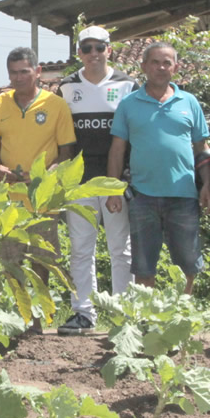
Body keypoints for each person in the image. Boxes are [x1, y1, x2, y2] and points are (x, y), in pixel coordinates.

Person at [107, 42, 210, 295]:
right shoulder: (129, 104)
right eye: (155, 62)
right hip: (143, 196)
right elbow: (117, 150)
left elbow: (203, 148)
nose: (161, 67)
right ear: (144, 66)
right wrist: (112, 190)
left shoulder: (189, 102)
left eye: (167, 62)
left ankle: (182, 317)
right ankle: (146, 320)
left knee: (188, 263)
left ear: (175, 67)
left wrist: (208, 184)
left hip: (184, 194)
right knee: (144, 266)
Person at [56, 25, 137, 335]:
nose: (93, 54)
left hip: (116, 181)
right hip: (79, 182)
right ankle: (83, 314)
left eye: (99, 47)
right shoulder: (65, 88)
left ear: (109, 50)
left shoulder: (127, 85)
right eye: (87, 48)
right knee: (80, 248)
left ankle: (123, 313)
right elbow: (60, 139)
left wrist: (125, 180)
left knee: (121, 248)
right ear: (79, 53)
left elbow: (134, 136)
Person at [0, 46, 76, 318]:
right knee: (10, 260)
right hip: (9, 199)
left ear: (37, 72)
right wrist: (0, 170)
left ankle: (41, 315)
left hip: (43, 198)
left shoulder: (56, 105)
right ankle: (18, 314)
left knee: (42, 260)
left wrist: (42, 177)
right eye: (13, 73)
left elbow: (66, 153)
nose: (18, 78)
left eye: (24, 71)